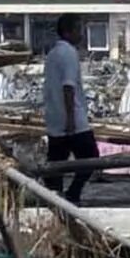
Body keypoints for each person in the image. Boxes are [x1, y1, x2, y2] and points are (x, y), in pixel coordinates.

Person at [42, 14, 99, 202]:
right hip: (72, 118)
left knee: (56, 163)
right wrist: (71, 118)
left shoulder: (52, 54)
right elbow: (68, 86)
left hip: (54, 118)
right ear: (68, 32)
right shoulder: (68, 53)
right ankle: (72, 194)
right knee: (91, 157)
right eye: (78, 30)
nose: (81, 35)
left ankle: (55, 198)